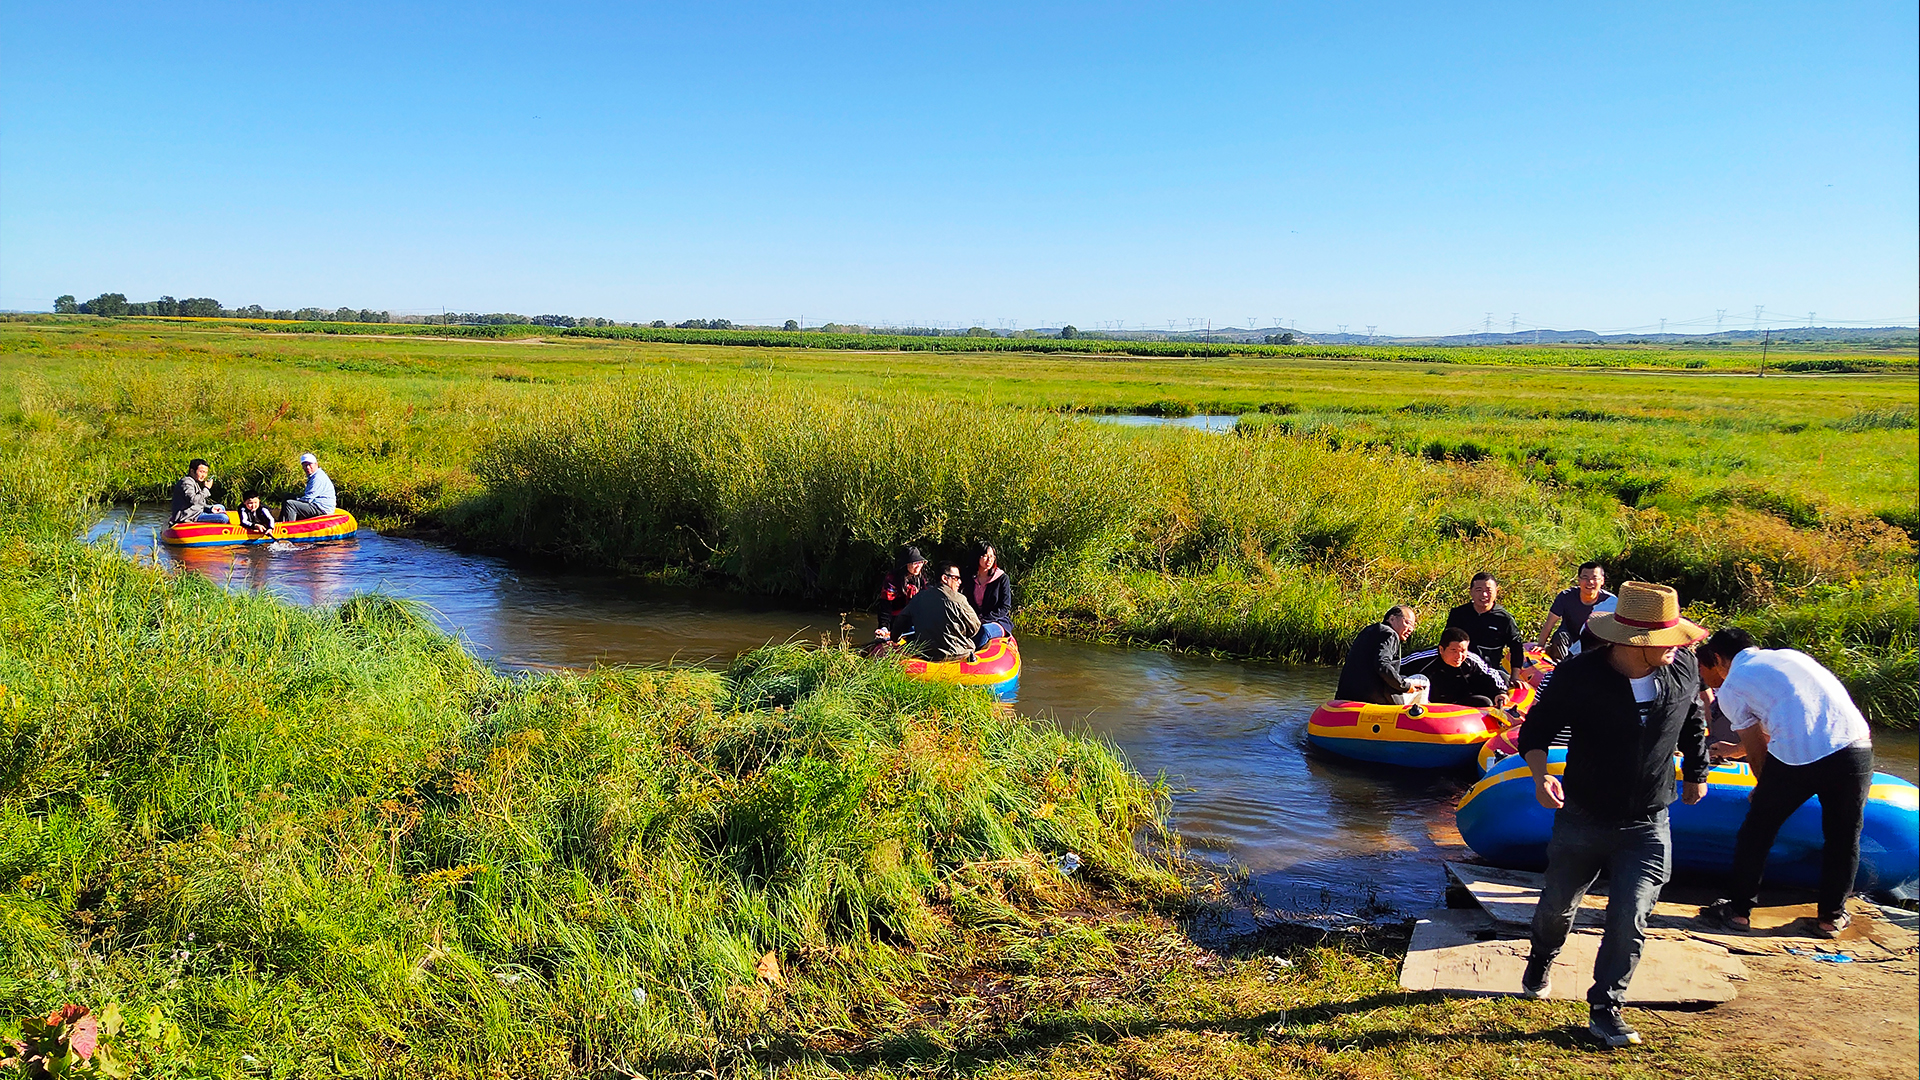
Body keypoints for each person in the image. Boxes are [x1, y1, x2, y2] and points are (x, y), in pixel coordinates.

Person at [1516, 581, 1708, 1050]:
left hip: (1648, 820)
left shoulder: (1682, 666)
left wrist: (1696, 770)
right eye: (1667, 639)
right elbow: (1536, 730)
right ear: (1630, 641)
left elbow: (1693, 720)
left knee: (1631, 917)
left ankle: (1606, 1007)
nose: (1678, 645)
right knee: (1557, 907)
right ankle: (1542, 955)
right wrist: (1542, 776)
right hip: (1583, 814)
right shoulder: (1578, 675)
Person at [1695, 628, 1875, 938]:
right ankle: (1830, 918)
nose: (1707, 679)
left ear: (1717, 659)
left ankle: (1738, 912)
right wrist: (1732, 750)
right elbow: (1791, 714)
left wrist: (1763, 789)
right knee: (1843, 836)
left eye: (1706, 671)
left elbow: (1756, 746)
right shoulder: (1789, 657)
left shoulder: (1731, 686)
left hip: (1800, 754)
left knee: (1758, 832)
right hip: (1855, 746)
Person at [1404, 627, 1511, 708]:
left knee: (1485, 702)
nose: (1459, 656)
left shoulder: (1471, 660)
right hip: (1430, 706)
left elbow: (1491, 673)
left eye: (1463, 651)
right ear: (1441, 649)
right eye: (1454, 651)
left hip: (1461, 703)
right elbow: (1395, 668)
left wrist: (1500, 692)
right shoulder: (1423, 658)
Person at [1446, 572, 1527, 673]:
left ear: (1496, 592)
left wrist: (1515, 676)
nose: (1484, 595)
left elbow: (1516, 648)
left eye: (1488, 591)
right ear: (1471, 592)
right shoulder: (1458, 614)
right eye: (1479, 590)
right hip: (1458, 668)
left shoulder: (1504, 619)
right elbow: (1445, 643)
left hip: (1489, 671)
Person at [1334, 605, 1417, 704]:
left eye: (1413, 626)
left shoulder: (1367, 631)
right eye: (1407, 623)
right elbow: (1382, 664)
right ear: (1392, 619)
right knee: (1422, 680)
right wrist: (1405, 686)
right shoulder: (1390, 634)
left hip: (1346, 695)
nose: (1411, 629)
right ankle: (1417, 716)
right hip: (1374, 698)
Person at [903, 565, 982, 663]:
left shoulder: (918, 598)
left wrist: (894, 638)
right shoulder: (959, 599)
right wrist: (961, 632)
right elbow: (975, 626)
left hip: (927, 655)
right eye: (956, 578)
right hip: (958, 654)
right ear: (944, 578)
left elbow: (901, 621)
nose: (960, 582)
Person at [1536, 562, 1616, 657]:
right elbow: (1550, 623)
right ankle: (1563, 668)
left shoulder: (1611, 602)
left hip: (1592, 641)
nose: (1590, 582)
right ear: (1578, 580)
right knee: (1560, 636)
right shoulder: (1566, 596)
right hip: (1567, 639)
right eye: (1585, 578)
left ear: (1602, 581)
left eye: (1594, 578)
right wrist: (1541, 645)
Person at [962, 543, 1013, 649]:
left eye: (992, 556)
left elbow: (1005, 607)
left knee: (984, 631)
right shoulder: (969, 577)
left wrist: (985, 619)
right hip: (973, 619)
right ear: (977, 556)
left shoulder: (1002, 578)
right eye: (985, 556)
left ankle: (969, 654)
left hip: (997, 621)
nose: (989, 559)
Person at [875, 546, 928, 638]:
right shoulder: (893, 579)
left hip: (915, 620)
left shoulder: (922, 578)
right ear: (906, 565)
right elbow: (886, 604)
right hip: (896, 621)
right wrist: (884, 627)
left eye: (920, 562)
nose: (918, 566)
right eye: (915, 563)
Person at [282, 452, 336, 521]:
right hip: (316, 504)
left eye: (310, 465)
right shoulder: (314, 475)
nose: (307, 467)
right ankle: (281, 521)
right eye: (305, 465)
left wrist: (297, 499)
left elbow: (308, 499)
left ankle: (288, 526)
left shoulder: (318, 478)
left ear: (316, 464)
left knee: (290, 504)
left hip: (321, 508)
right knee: (288, 496)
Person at [169, 458, 226, 524]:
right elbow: (193, 500)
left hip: (196, 512)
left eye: (206, 472)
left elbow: (199, 503)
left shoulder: (194, 481)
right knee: (223, 518)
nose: (203, 475)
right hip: (188, 516)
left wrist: (209, 508)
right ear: (192, 471)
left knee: (221, 507)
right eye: (201, 472)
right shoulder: (186, 483)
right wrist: (206, 488)